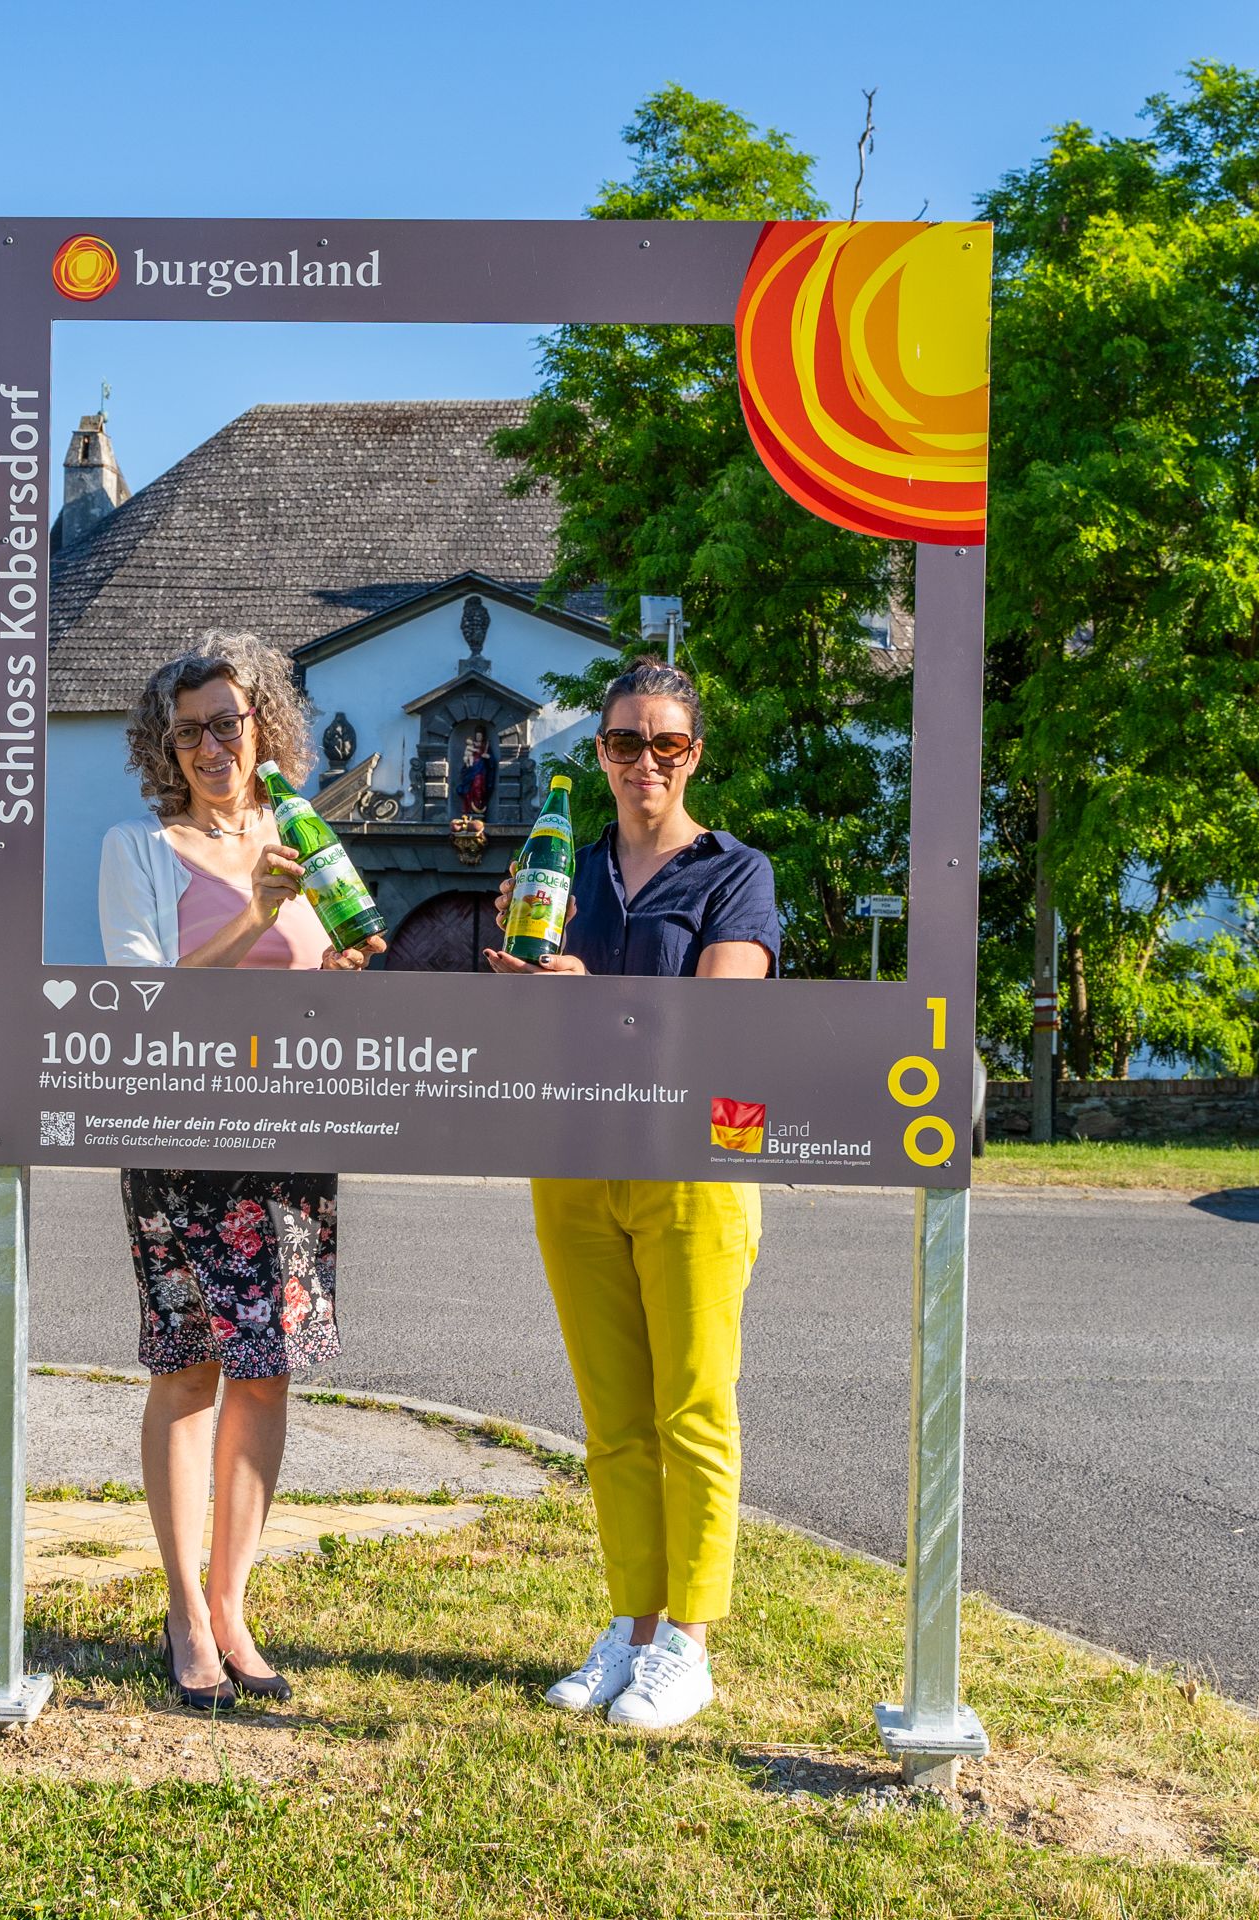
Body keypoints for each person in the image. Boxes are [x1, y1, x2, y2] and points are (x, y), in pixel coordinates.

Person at [484, 657, 778, 1730]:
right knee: (613, 1421)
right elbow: (523, 1023)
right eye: (623, 743)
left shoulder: (734, 873)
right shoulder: (567, 866)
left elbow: (721, 1020)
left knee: (692, 1408)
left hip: (694, 1168)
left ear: (694, 753)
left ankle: (690, 1642)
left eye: (666, 743)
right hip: (571, 1159)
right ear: (598, 755)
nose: (644, 761)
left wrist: (592, 997)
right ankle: (635, 1625)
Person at [99, 632, 383, 1711]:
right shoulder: (140, 845)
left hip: (293, 1141)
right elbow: (142, 989)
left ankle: (233, 1604)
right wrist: (258, 915)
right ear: (164, 746)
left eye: (228, 721)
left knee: (266, 1369)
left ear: (264, 721)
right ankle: (182, 1612)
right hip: (178, 1141)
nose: (211, 746)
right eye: (188, 731)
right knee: (186, 1369)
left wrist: (346, 966)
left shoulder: (303, 834)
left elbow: (334, 974)